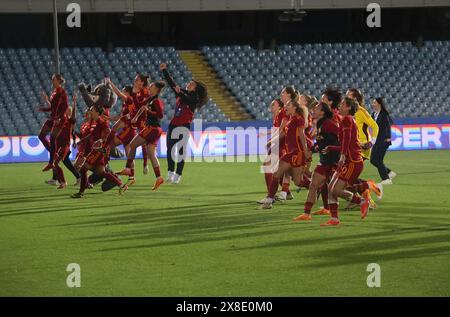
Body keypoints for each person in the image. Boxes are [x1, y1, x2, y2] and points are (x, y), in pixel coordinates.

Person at [320, 97, 370, 226]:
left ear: (348, 108)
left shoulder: (347, 120)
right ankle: (334, 219)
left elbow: (347, 141)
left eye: (342, 104)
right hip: (349, 161)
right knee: (331, 188)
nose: (340, 106)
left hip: (352, 162)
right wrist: (331, 148)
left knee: (335, 189)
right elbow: (346, 143)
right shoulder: (346, 120)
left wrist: (341, 156)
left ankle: (362, 201)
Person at [259, 92, 311, 210]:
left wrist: (306, 151)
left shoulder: (299, 119)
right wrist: (271, 141)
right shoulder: (291, 119)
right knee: (276, 174)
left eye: (288, 105)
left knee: (298, 182)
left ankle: (320, 187)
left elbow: (302, 136)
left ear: (294, 108)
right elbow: (283, 133)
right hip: (290, 153)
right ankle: (269, 200)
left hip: (298, 153)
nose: (286, 107)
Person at [160, 62, 208, 184]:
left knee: (180, 151)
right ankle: (170, 172)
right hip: (173, 125)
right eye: (190, 83)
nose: (189, 84)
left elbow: (187, 99)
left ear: (195, 88)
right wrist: (165, 70)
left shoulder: (194, 98)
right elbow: (172, 84)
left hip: (183, 127)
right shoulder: (182, 93)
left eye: (192, 84)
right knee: (170, 149)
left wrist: (179, 92)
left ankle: (178, 174)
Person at [293, 102, 339, 221]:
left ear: (322, 112)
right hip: (325, 161)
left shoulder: (328, 124)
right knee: (314, 184)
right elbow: (321, 142)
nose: (313, 110)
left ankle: (363, 196)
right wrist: (314, 149)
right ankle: (307, 213)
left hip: (334, 160)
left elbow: (342, 135)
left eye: (317, 108)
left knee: (343, 188)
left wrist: (336, 149)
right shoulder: (319, 123)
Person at [118, 81, 166, 193]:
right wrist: (134, 94)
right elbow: (139, 105)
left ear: (156, 89)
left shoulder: (156, 101)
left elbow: (160, 115)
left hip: (152, 128)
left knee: (132, 144)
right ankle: (159, 178)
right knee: (151, 153)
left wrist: (148, 111)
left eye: (152, 86)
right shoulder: (150, 99)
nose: (150, 86)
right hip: (155, 130)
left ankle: (128, 169)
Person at [71, 106, 123, 198]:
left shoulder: (102, 123)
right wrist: (81, 140)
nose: (90, 111)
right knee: (101, 172)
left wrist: (102, 141)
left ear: (97, 113)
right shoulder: (98, 123)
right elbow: (91, 135)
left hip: (99, 151)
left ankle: (81, 193)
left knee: (83, 169)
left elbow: (109, 133)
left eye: (92, 110)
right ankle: (120, 184)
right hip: (97, 151)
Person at [38, 74, 69, 172]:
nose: (52, 81)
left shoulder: (61, 91)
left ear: (59, 81)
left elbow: (65, 106)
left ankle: (51, 162)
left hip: (59, 119)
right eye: (52, 79)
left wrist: (58, 117)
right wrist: (43, 109)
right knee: (41, 135)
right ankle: (54, 155)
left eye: (54, 79)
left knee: (52, 138)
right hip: (53, 118)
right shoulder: (54, 92)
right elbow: (53, 107)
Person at [52, 93, 78, 189]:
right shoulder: (61, 120)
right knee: (55, 163)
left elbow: (74, 117)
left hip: (65, 145)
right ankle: (59, 181)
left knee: (56, 163)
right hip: (59, 145)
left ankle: (62, 182)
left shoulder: (70, 121)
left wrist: (75, 103)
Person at [370, 97, 396, 186]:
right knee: (373, 160)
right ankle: (389, 172)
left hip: (384, 140)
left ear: (379, 104)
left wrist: (388, 137)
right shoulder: (373, 114)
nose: (372, 104)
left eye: (374, 102)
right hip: (376, 141)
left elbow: (388, 126)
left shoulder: (384, 114)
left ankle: (386, 179)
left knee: (378, 160)